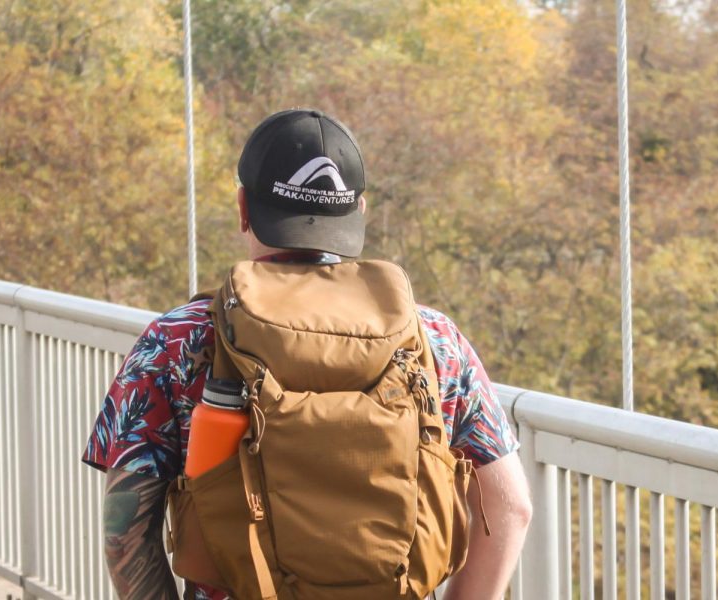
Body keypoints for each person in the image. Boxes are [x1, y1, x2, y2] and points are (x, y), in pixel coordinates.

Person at [82, 108, 532, 600]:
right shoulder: (433, 340)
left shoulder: (179, 339)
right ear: (360, 210)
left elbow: (124, 527)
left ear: (243, 208)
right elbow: (510, 508)